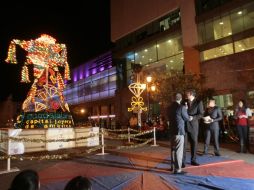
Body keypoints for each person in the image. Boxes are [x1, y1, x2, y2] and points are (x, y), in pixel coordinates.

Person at [169, 93, 192, 174]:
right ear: (180, 99)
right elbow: (186, 118)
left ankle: (172, 167)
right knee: (179, 150)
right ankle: (178, 169)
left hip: (171, 131)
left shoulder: (169, 108)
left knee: (173, 150)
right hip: (179, 131)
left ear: (173, 98)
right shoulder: (181, 107)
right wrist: (188, 114)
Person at [183, 89, 204, 166]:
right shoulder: (184, 102)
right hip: (185, 125)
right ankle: (182, 161)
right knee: (184, 144)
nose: (186, 95)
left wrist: (193, 117)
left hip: (193, 125)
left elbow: (201, 114)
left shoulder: (199, 102)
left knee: (194, 143)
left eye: (187, 93)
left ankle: (193, 160)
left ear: (191, 94)